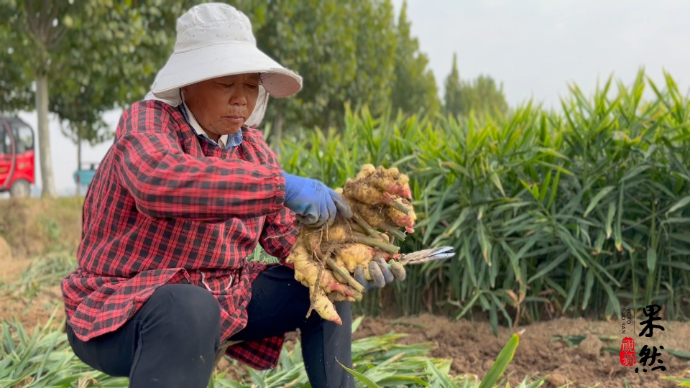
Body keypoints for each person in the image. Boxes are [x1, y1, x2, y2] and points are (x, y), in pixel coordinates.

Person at [60, 3, 400, 388]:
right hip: (123, 306)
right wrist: (280, 186)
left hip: (224, 297)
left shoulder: (252, 148)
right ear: (188, 83)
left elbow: (285, 238)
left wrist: (347, 260)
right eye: (226, 84)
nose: (241, 99)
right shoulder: (147, 122)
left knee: (323, 284)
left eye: (251, 86)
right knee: (189, 305)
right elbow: (158, 182)